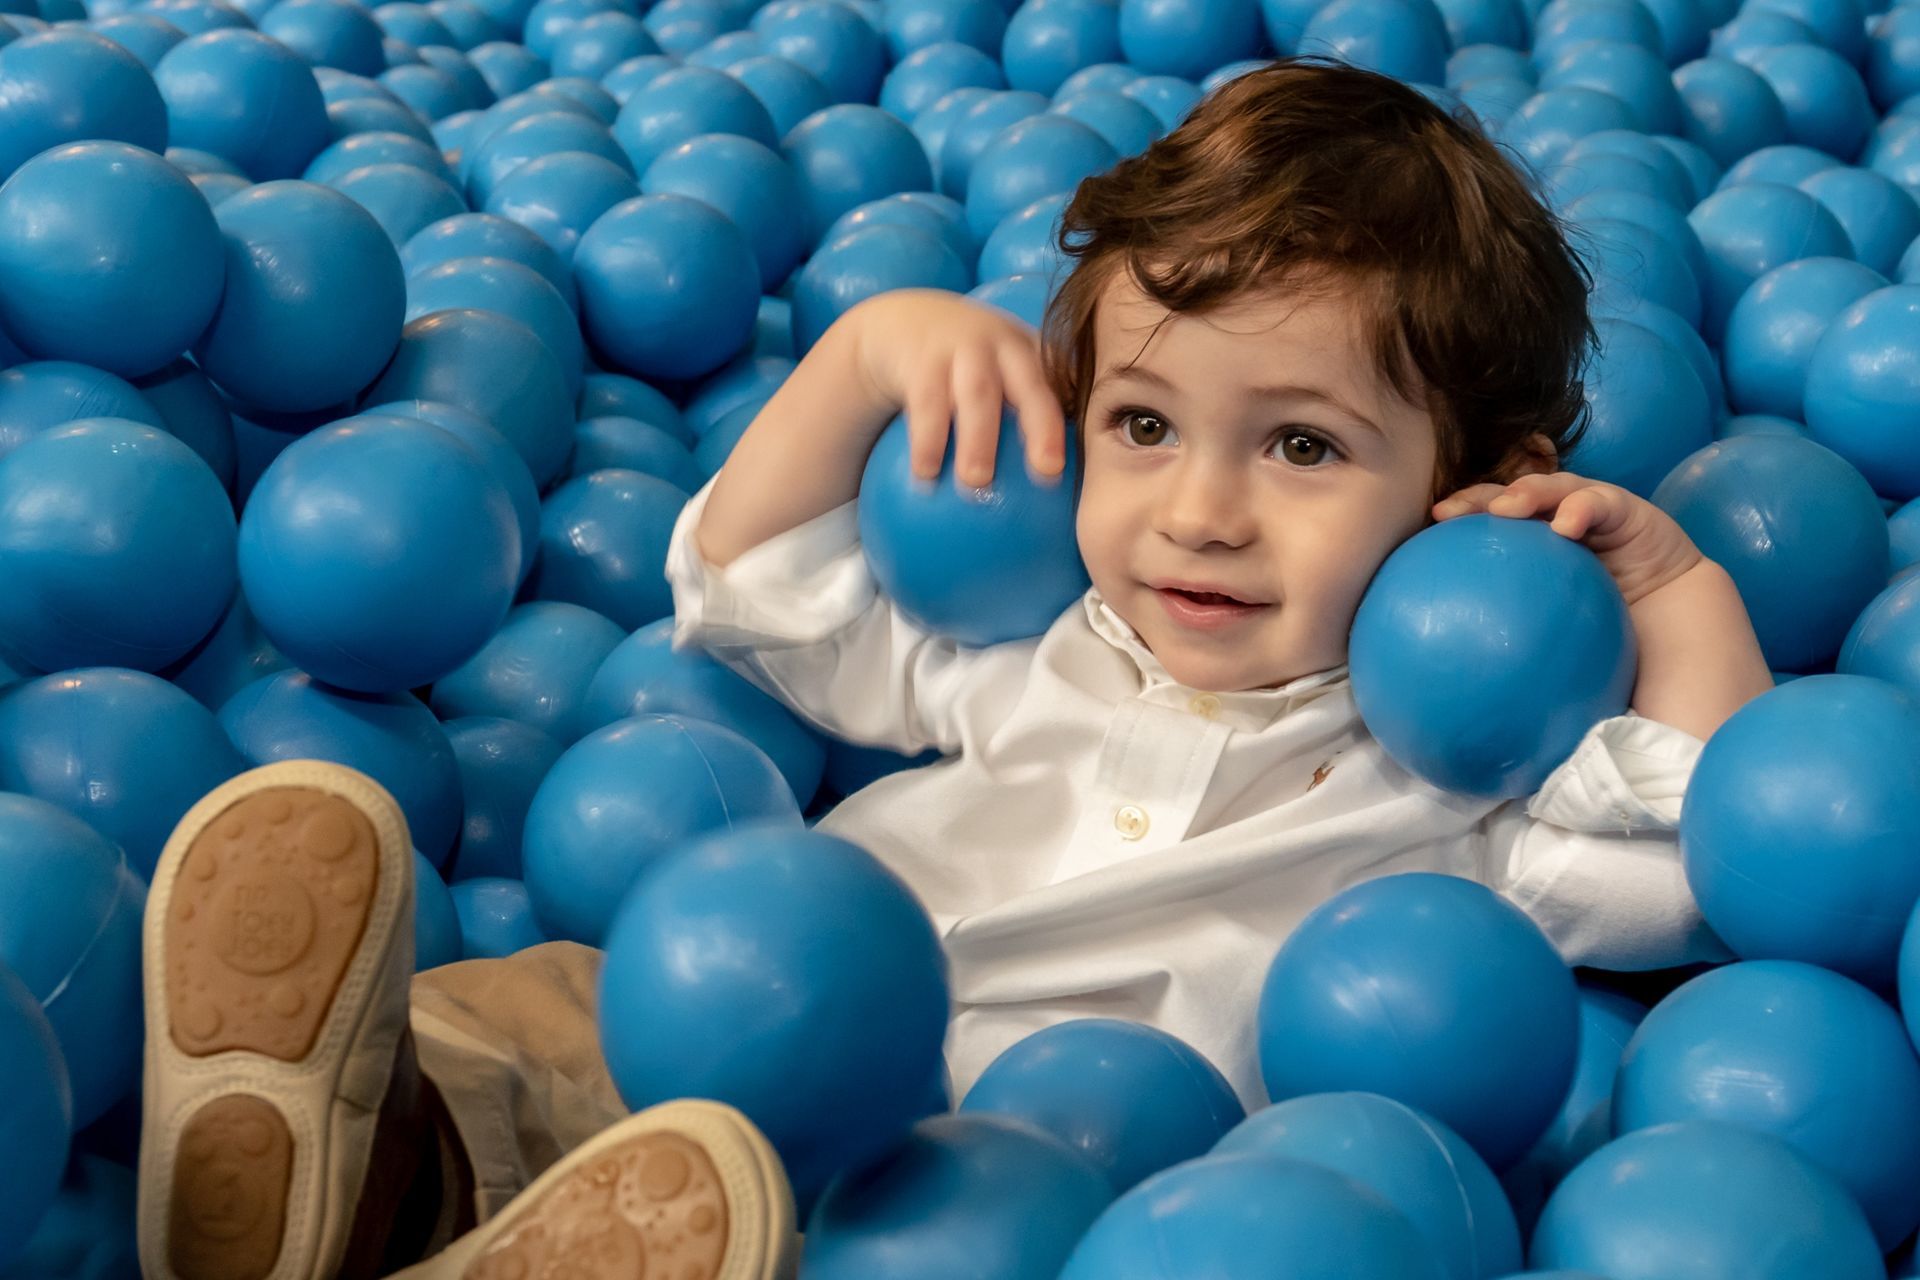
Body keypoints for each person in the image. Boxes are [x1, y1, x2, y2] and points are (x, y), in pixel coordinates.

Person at [136, 57, 1773, 1280]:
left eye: (1299, 446)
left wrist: (1676, 586)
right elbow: (742, 588)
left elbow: (1703, 864)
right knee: (546, 1013)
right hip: (749, 1019)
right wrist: (865, 356)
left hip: (1022, 1181)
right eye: (1143, 425)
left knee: (836, 1232)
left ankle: (485, 1224)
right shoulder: (1030, 643)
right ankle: (342, 1148)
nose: (1198, 513)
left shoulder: (1453, 777)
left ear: (1469, 484)